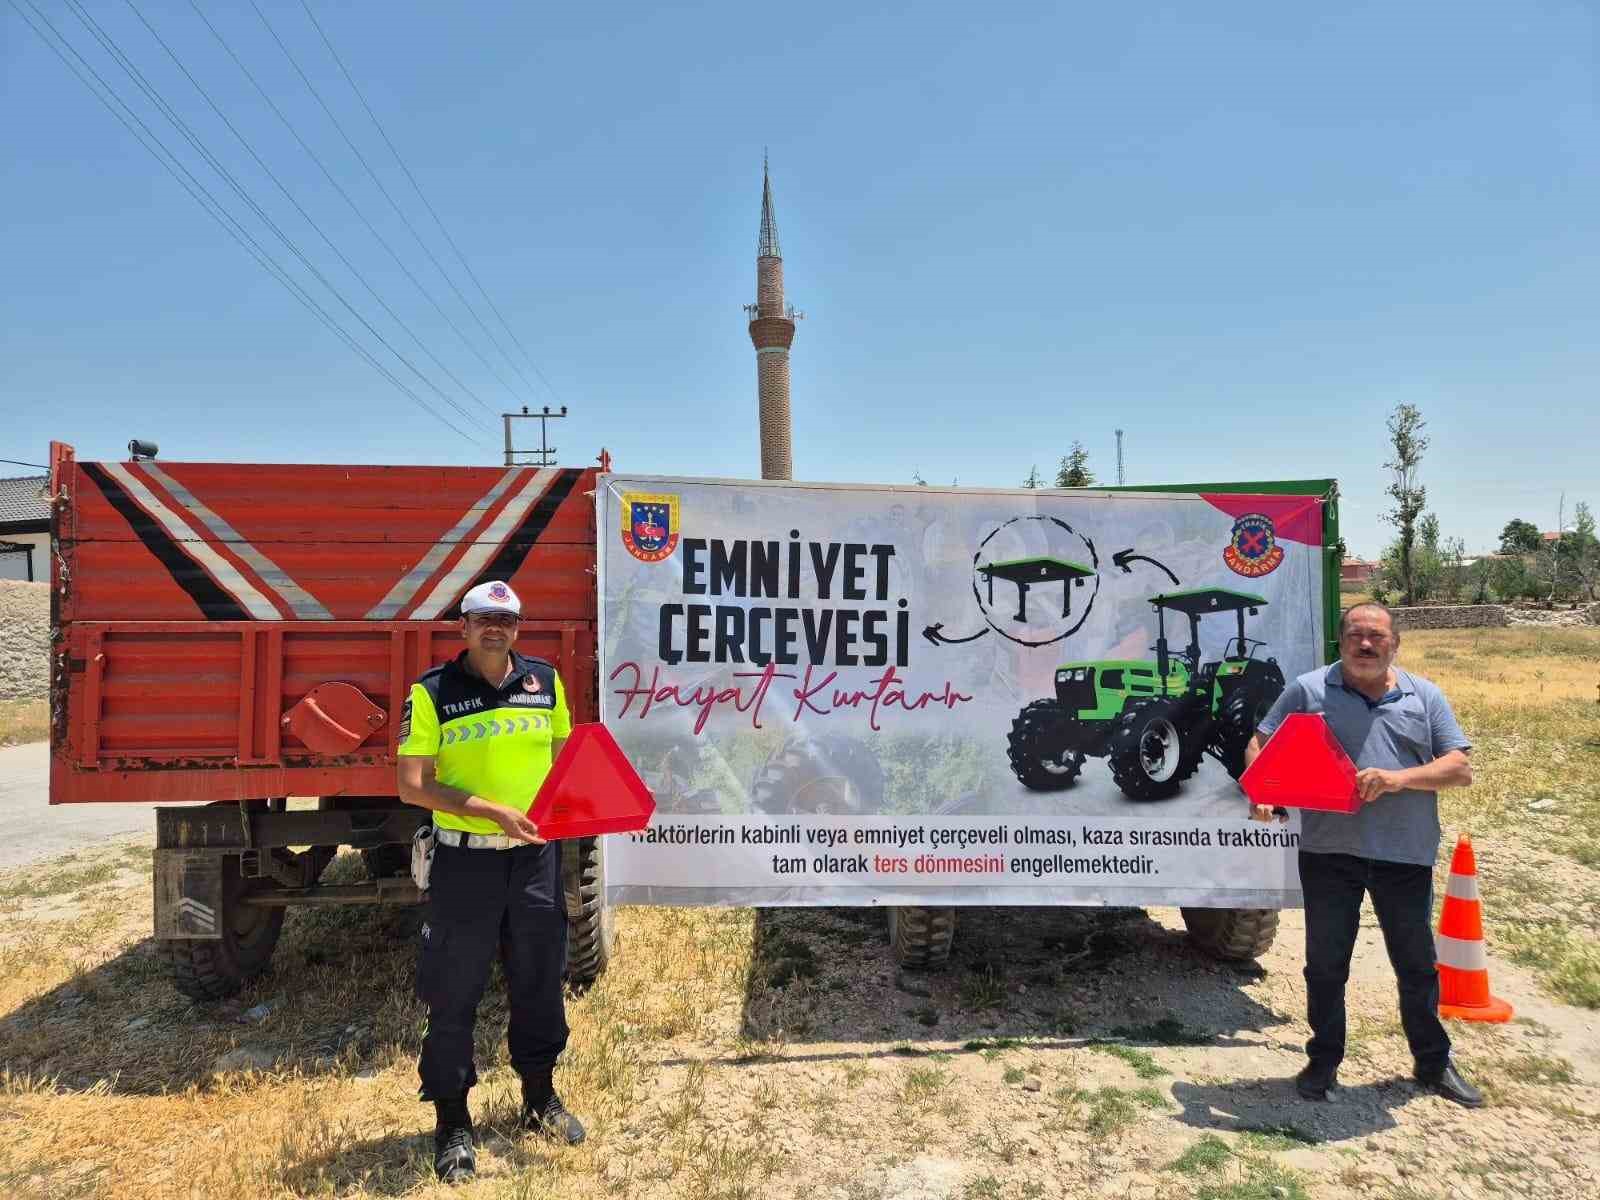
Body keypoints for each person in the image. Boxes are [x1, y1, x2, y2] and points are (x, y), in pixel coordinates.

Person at [1245, 602, 1481, 1108]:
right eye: (1355, 635)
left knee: (1416, 965)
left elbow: (1459, 768)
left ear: (1395, 643)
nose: (1365, 645)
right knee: (1326, 966)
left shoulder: (1425, 696)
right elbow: (1260, 741)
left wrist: (1397, 779)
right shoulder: (1309, 691)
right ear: (1341, 641)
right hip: (1329, 853)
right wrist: (1263, 789)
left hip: (1404, 854)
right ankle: (1322, 1061)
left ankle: (1433, 1063)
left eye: (1376, 637)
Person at [396, 579, 586, 1183]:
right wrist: (492, 810)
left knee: (540, 982)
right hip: (464, 863)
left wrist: (582, 805)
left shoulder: (546, 683)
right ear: (464, 627)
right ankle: (452, 1121)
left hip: (533, 863)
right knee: (453, 992)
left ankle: (538, 1097)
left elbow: (566, 758)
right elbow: (412, 785)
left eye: (504, 619)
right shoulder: (432, 693)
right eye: (481, 618)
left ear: (518, 628)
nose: (493, 628)